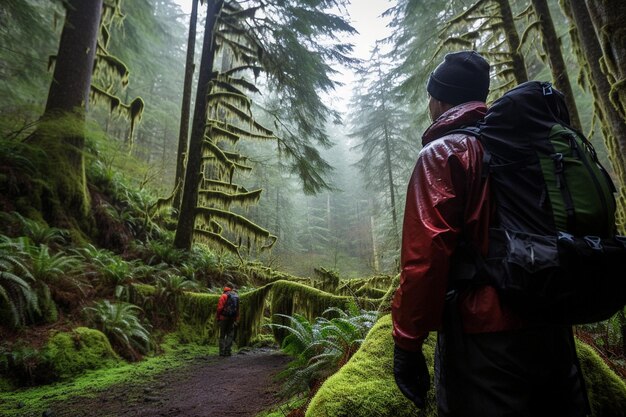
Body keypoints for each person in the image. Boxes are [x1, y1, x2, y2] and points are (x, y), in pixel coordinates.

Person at [391, 51, 590, 416]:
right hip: (552, 321)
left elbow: (424, 260)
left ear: (439, 99)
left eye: (430, 96)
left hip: (483, 337)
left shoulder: (444, 152)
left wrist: (406, 344)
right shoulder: (528, 145)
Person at [216, 285, 239, 357]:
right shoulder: (236, 296)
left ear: (224, 290)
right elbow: (237, 309)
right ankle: (228, 351)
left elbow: (219, 308)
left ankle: (222, 352)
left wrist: (218, 317)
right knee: (230, 334)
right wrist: (236, 319)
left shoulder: (223, 296)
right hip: (232, 318)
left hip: (223, 317)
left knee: (222, 335)